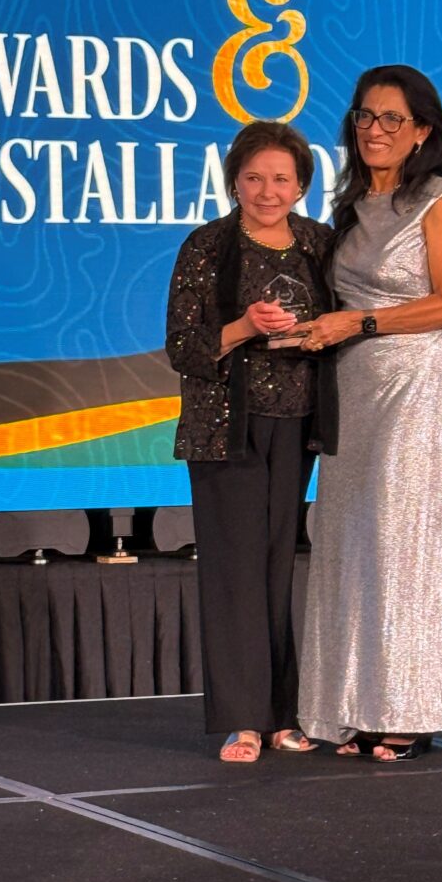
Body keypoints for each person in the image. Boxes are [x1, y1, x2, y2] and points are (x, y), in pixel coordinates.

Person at [297, 64, 442, 761]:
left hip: (416, 384)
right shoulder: (351, 207)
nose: (374, 130)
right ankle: (356, 704)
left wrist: (360, 323)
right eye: (365, 116)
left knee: (406, 539)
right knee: (352, 538)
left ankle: (412, 707)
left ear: (422, 132)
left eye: (391, 119)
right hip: (353, 386)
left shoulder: (438, 200)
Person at [165, 121, 337, 762]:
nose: (268, 191)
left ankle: (282, 716)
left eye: (282, 179)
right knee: (235, 569)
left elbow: (354, 314)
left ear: (302, 185)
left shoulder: (320, 244)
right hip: (225, 429)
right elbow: (183, 347)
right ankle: (243, 720)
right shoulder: (208, 245)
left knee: (277, 565)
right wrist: (242, 326)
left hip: (299, 424)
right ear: (234, 181)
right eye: (255, 178)